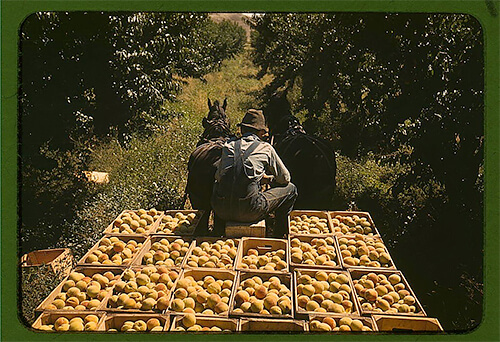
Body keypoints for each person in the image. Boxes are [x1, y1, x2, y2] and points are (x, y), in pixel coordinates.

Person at [211, 109, 298, 237]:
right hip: (250, 211)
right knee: (291, 189)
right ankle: (279, 234)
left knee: (216, 186)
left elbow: (218, 176)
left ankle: (217, 230)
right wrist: (269, 179)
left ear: (242, 130)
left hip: (221, 209)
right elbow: (285, 178)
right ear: (262, 132)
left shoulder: (228, 145)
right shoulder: (265, 148)